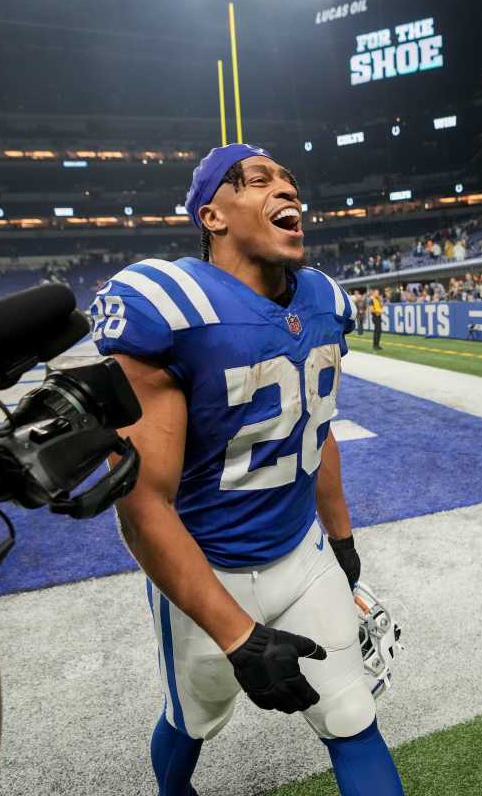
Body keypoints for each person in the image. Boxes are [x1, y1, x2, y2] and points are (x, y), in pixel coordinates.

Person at [91, 143, 402, 796]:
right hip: (208, 568)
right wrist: (238, 638)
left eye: (289, 180)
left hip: (300, 550)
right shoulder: (169, 303)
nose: (286, 190)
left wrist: (341, 542)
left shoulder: (322, 300)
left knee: (352, 715)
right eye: (260, 180)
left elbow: (315, 432)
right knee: (193, 720)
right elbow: (144, 505)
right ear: (213, 215)